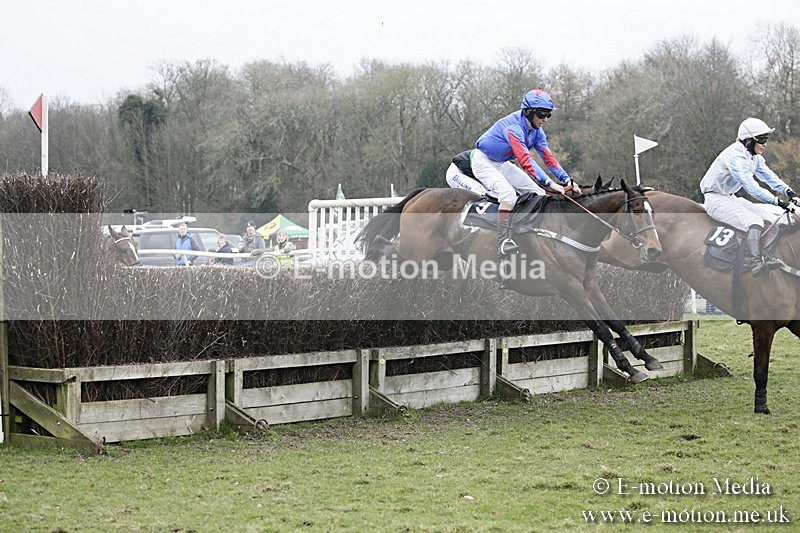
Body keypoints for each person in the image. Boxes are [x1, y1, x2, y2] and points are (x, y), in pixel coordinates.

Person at [469, 89, 580, 257]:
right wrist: (551, 183)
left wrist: (566, 180)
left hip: (502, 163)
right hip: (483, 162)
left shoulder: (537, 131)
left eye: (548, 115)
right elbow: (526, 161)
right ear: (528, 111)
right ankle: (503, 242)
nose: (545, 119)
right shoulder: (513, 128)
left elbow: (548, 158)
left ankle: (532, 236)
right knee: (508, 195)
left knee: (539, 194)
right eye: (542, 114)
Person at [700, 117, 799, 277]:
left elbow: (770, 178)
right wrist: (779, 202)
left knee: (773, 219)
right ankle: (756, 262)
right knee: (755, 221)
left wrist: (790, 193)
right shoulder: (735, 156)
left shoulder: (754, 157)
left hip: (730, 198)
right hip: (715, 200)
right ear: (748, 141)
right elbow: (751, 187)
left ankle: (772, 255)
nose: (765, 144)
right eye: (762, 140)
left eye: (766, 139)